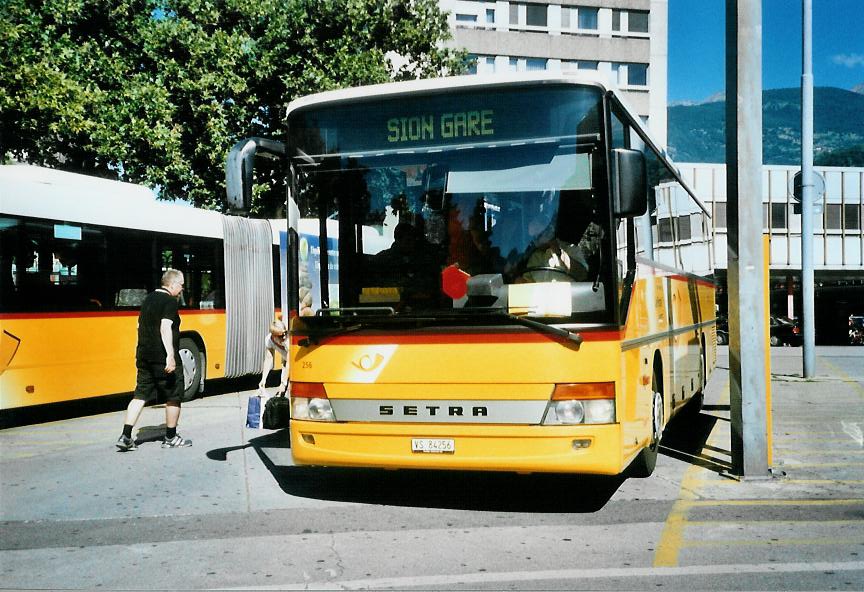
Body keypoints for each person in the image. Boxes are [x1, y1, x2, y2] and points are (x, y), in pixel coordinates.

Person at [116, 269, 191, 451]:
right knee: (174, 396)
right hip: (161, 357)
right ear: (172, 284)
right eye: (181, 286)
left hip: (143, 355)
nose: (182, 290)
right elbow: (165, 328)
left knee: (140, 394)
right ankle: (171, 437)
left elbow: (139, 325)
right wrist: (171, 356)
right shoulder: (169, 302)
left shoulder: (148, 299)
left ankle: (126, 436)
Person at [259, 319, 288, 395]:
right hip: (286, 363)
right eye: (281, 336)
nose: (284, 337)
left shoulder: (288, 340)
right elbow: (269, 358)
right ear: (273, 336)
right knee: (281, 393)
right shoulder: (269, 340)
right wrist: (263, 379)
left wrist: (283, 383)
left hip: (296, 364)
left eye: (285, 333)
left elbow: (290, 361)